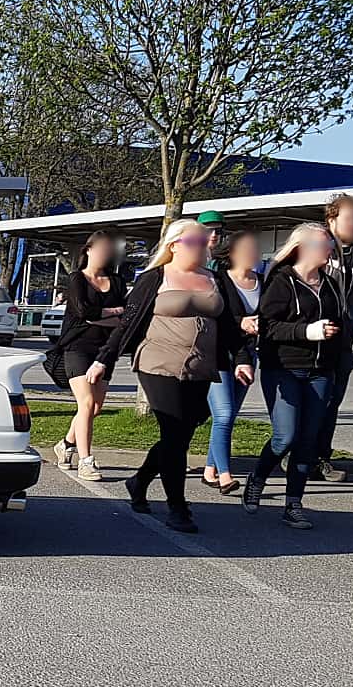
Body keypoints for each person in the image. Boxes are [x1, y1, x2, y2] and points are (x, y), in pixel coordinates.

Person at [85, 217, 249, 533]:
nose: (202, 246)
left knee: (182, 433)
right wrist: (103, 360)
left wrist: (242, 358)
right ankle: (178, 507)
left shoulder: (215, 280)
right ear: (174, 245)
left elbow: (229, 326)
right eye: (195, 242)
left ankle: (140, 480)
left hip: (200, 369)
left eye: (204, 241)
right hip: (158, 364)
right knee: (174, 433)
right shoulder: (155, 278)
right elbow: (128, 323)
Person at [245, 224, 346, 529]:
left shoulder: (330, 284)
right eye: (325, 244)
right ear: (304, 247)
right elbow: (268, 326)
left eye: (331, 245)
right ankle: (258, 477)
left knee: (308, 439)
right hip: (284, 368)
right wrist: (307, 332)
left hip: (321, 371)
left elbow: (340, 322)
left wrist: (334, 340)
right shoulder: (281, 281)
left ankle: (294, 504)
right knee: (285, 436)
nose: (330, 250)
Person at [272, 193, 353, 481]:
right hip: (303, 344)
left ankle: (320, 457)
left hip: (341, 346)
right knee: (299, 407)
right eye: (349, 218)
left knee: (329, 404)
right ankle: (289, 452)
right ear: (331, 220)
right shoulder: (314, 255)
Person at [51, 230, 127, 483]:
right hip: (77, 347)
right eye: (101, 248)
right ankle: (86, 460)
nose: (105, 253)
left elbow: (124, 318)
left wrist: (103, 315)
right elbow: (82, 311)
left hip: (105, 348)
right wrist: (111, 313)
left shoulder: (117, 282)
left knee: (95, 407)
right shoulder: (77, 279)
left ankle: (65, 444)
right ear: (88, 250)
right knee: (85, 403)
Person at [203, 220, 262, 493]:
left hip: (249, 355)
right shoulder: (219, 281)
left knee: (229, 415)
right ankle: (225, 476)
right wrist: (241, 323)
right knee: (224, 414)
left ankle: (209, 469)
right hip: (218, 354)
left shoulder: (262, 281)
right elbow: (217, 315)